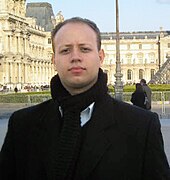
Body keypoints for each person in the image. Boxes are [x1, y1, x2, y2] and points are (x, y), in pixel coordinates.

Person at [0, 17, 170, 180]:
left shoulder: (142, 125)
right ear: (54, 60)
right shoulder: (21, 124)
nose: (75, 57)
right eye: (65, 50)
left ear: (101, 57)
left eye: (85, 48)